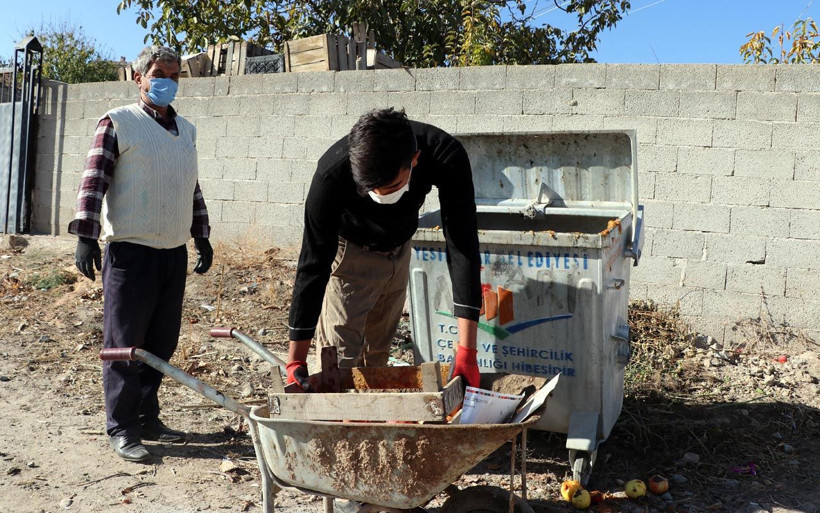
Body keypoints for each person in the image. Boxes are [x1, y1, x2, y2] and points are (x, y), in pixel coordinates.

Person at [68, 45, 213, 463]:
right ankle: (122, 427)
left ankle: (148, 414)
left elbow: (191, 184)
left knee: (162, 341)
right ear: (139, 78)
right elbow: (93, 179)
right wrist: (86, 235)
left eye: (174, 74)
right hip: (131, 254)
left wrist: (200, 234)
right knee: (124, 345)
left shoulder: (186, 129)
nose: (167, 80)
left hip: (172, 251)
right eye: (158, 72)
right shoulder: (118, 122)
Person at [285, 107, 481, 390]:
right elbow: (313, 264)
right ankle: (339, 427)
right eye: (373, 189)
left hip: (399, 252)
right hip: (350, 255)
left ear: (414, 160)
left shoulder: (444, 154)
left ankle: (371, 427)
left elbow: (462, 245)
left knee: (377, 358)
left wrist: (467, 352)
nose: (381, 196)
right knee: (338, 365)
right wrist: (295, 361)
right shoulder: (331, 175)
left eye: (393, 185)